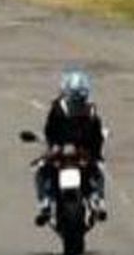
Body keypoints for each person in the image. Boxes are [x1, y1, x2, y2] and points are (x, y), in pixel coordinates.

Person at [34, 68, 107, 226]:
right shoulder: (90, 110)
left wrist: (52, 146)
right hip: (80, 154)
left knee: (41, 171)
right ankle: (97, 199)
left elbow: (49, 131)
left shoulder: (58, 108)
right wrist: (96, 153)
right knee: (98, 171)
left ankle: (45, 202)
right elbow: (97, 136)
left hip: (63, 152)